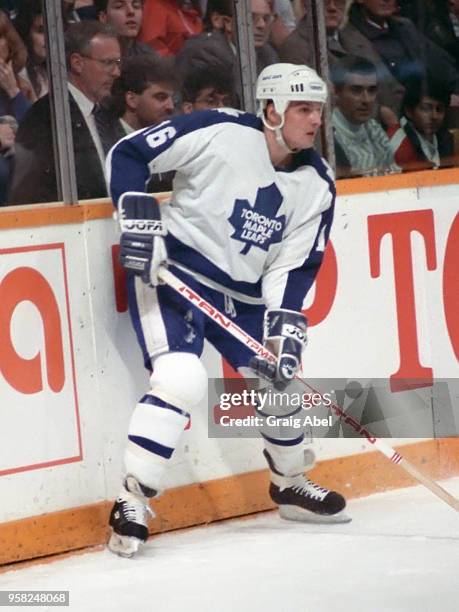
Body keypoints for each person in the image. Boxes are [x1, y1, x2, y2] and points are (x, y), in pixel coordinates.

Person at [106, 62, 349, 558]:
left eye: (318, 110)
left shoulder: (317, 182)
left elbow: (295, 264)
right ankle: (130, 500)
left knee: (280, 377)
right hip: (173, 274)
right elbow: (129, 153)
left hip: (241, 297)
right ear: (270, 110)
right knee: (180, 380)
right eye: (302, 108)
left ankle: (290, 484)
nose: (314, 120)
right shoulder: (219, 129)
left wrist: (284, 327)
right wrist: (136, 217)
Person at [9, 21, 123, 204]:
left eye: (117, 63)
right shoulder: (46, 117)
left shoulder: (107, 114)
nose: (116, 72)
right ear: (77, 63)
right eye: (108, 63)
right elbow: (30, 194)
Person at [331, 55, 400, 177]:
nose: (366, 99)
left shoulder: (373, 127)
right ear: (336, 92)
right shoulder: (327, 136)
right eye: (356, 90)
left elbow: (395, 174)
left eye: (372, 90)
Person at [387, 79, 456, 171]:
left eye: (439, 109)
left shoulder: (444, 139)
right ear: (409, 111)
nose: (434, 116)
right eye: (426, 109)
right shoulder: (396, 144)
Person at [95, 0, 159, 58]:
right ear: (103, 17)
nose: (131, 11)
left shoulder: (148, 55)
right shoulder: (94, 55)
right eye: (119, 6)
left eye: (136, 6)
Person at [14, 0, 49, 99]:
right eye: (41, 31)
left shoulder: (56, 71)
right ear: (26, 33)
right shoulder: (19, 74)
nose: (49, 38)